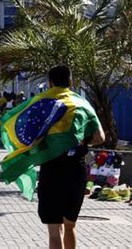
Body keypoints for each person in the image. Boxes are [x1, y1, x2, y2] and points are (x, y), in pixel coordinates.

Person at [37, 66, 105, 249]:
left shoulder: (41, 104)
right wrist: (81, 141)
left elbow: (29, 138)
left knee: (53, 230)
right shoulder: (82, 104)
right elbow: (100, 137)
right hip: (75, 171)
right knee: (70, 225)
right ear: (71, 81)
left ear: (50, 82)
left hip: (50, 169)